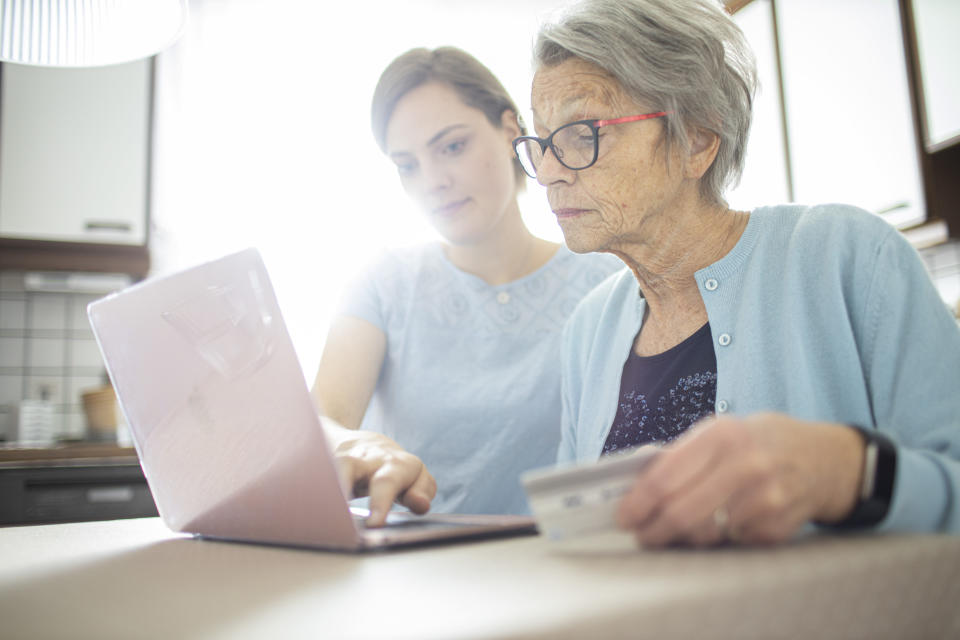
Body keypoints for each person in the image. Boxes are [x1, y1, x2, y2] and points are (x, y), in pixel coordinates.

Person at [511, 0, 960, 546]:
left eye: (584, 132)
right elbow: (575, 540)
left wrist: (848, 472)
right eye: (542, 142)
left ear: (697, 139)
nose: (550, 172)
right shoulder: (588, 329)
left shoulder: (849, 256)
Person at [315, 46, 621, 525]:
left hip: (554, 573)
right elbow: (322, 418)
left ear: (509, 131)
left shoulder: (606, 287)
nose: (433, 181)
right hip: (403, 570)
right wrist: (353, 443)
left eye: (452, 147)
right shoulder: (382, 282)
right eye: (407, 165)